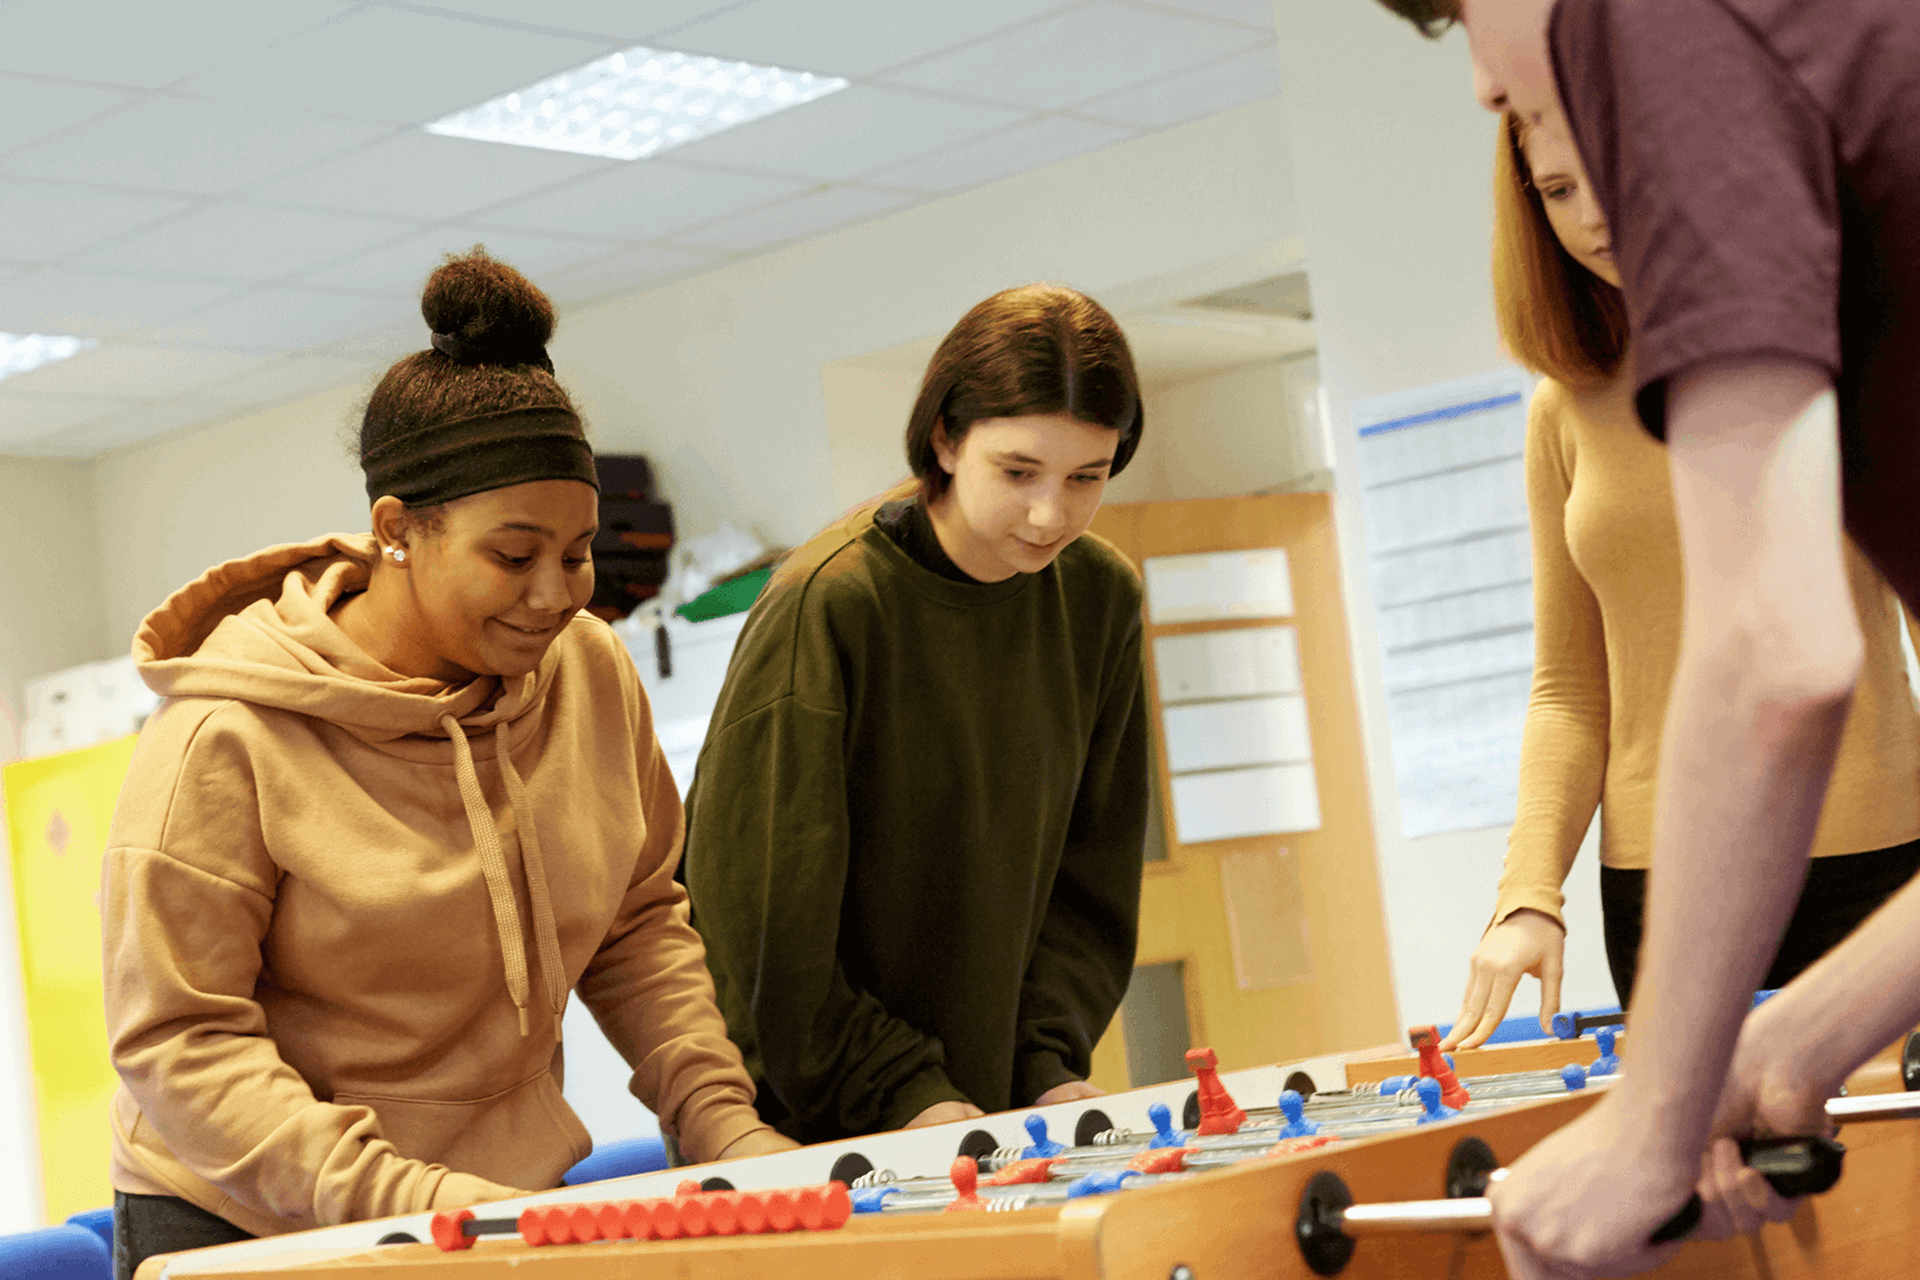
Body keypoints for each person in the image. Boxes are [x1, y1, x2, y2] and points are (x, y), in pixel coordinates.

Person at [102, 249, 793, 1280]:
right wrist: (410, 1198)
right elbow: (182, 1044)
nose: (556, 593)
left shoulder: (591, 675)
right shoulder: (225, 735)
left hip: (485, 1201)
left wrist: (721, 1119)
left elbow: (637, 921)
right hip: (255, 1220)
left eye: (579, 551)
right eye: (513, 556)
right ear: (397, 531)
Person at [1374, 0, 1920, 1275]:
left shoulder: (1664, 25)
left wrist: (1649, 1123)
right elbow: (1576, 685)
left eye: (1461, 15)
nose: (1480, 87)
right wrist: (1776, 1049)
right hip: (1681, 873)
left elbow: (1781, 657)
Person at [1444, 111, 1920, 1050]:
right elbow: (1573, 690)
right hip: (1664, 890)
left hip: (1879, 865)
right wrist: (1527, 897)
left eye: (1609, 171)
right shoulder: (1563, 408)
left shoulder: (1847, 345)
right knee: (1711, 1186)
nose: (1592, 216)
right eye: (1557, 191)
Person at [684, 284, 1150, 1145]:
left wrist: (1045, 1065)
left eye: (1087, 477)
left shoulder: (1100, 596)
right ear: (945, 437)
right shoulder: (827, 605)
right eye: (1018, 472)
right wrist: (904, 1091)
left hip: (995, 1116)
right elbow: (760, 941)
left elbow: (1094, 884)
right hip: (820, 1123)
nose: (1053, 514)